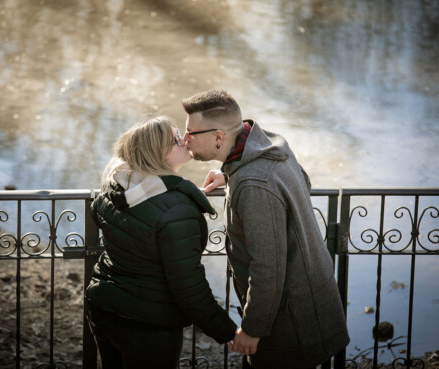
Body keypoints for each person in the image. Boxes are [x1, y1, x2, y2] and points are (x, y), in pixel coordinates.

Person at [182, 90, 350, 369]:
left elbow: (268, 267)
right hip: (312, 307)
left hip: (289, 329)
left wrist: (252, 329)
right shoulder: (269, 146)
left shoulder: (254, 185)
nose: (185, 139)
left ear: (218, 137)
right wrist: (230, 174)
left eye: (190, 133)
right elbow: (302, 183)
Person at [85, 116, 237, 369]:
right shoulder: (176, 208)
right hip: (149, 325)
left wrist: (229, 175)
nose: (185, 139)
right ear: (158, 153)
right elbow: (188, 284)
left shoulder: (116, 189)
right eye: (176, 138)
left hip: (103, 308)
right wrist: (228, 331)